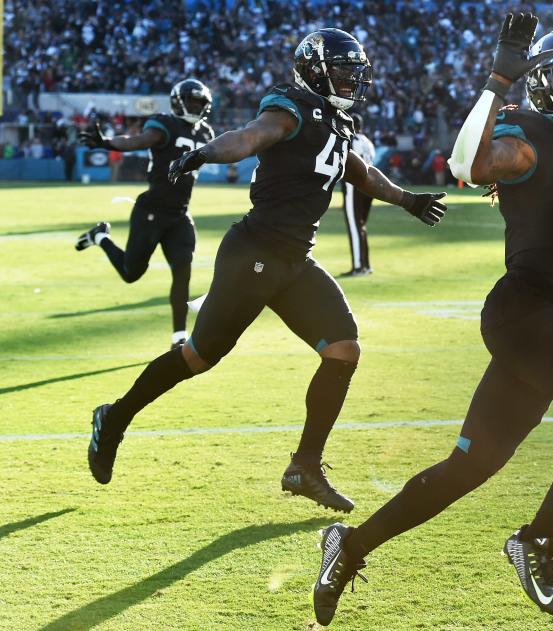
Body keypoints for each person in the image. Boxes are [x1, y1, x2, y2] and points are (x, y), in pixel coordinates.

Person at [311, 15, 553, 625]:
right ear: (543, 84)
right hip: (522, 312)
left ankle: (349, 545)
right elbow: (466, 165)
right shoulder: (526, 135)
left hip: (548, 319)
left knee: (471, 465)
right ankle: (535, 540)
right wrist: (499, 78)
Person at [84, 30, 447, 516]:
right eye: (342, 71)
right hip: (253, 252)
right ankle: (114, 418)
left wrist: (409, 199)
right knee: (197, 357)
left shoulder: (338, 123)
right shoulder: (291, 106)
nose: (351, 81)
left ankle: (305, 466)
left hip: (295, 260)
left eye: (354, 73)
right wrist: (206, 152)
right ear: (315, 70)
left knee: (343, 349)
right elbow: (254, 135)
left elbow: (357, 170)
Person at [75, 79, 216, 348]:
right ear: (178, 101)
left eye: (200, 103)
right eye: (192, 101)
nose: (196, 106)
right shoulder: (165, 124)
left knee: (183, 272)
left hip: (179, 215)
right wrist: (107, 143)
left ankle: (179, 337)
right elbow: (138, 140)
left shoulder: (206, 133)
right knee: (131, 273)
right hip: (151, 211)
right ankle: (101, 237)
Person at [340, 113, 376, 276]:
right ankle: (366, 265)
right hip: (370, 187)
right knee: (361, 226)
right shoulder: (367, 142)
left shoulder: (352, 140)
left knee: (355, 226)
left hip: (354, 187)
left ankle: (358, 266)